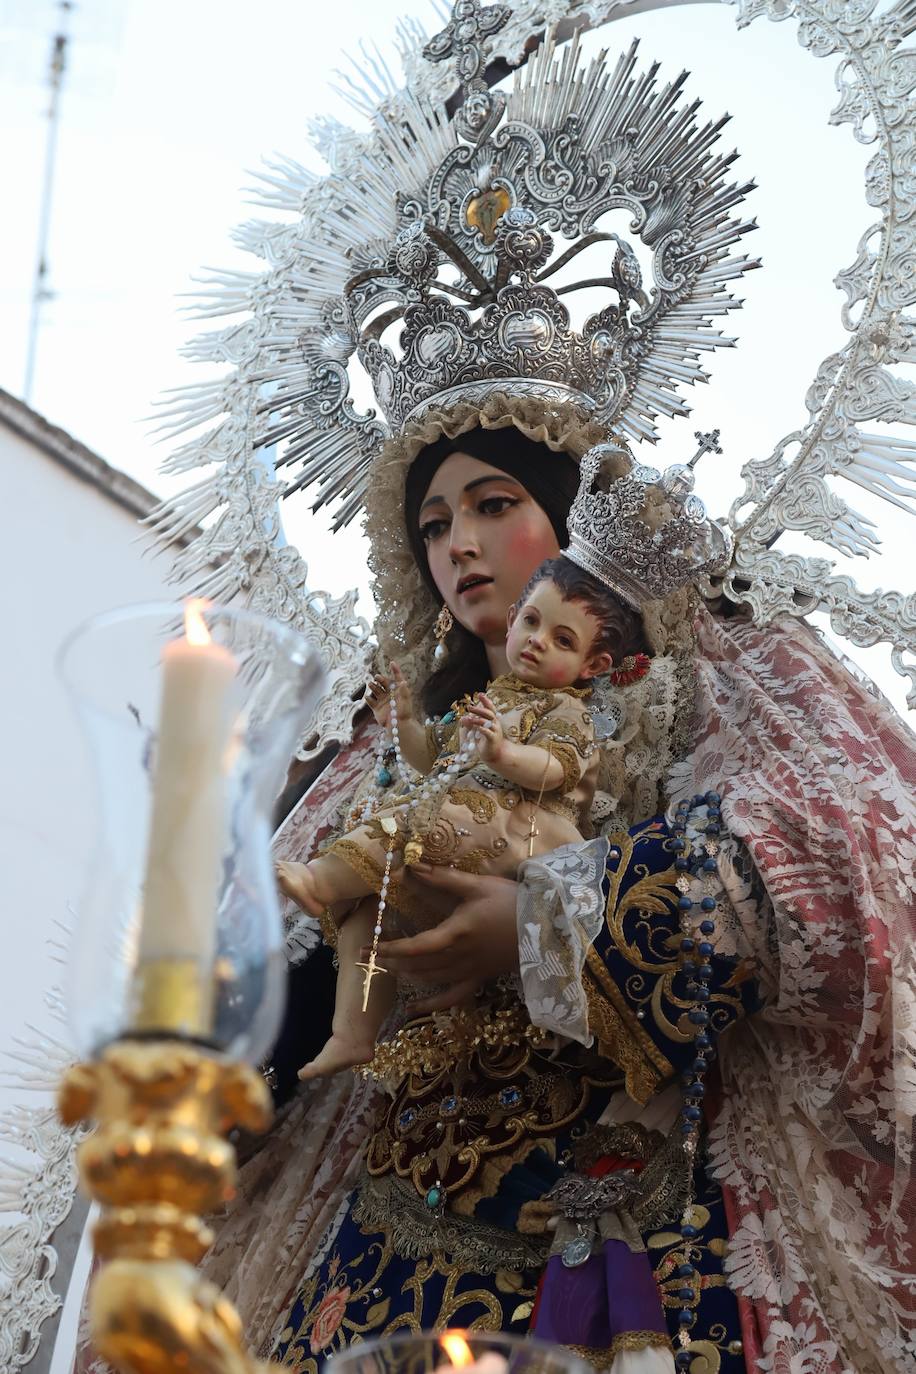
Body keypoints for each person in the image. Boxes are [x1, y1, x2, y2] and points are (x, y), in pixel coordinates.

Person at [276, 554, 637, 1080]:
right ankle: (351, 1033)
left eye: (564, 640)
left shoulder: (565, 710)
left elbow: (555, 769)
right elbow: (434, 758)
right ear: (513, 619)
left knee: (407, 820)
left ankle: (317, 881)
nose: (538, 640)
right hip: (467, 823)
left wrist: (502, 755)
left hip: (521, 834)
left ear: (593, 666)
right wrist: (400, 721)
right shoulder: (490, 697)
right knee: (366, 912)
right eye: (533, 622)